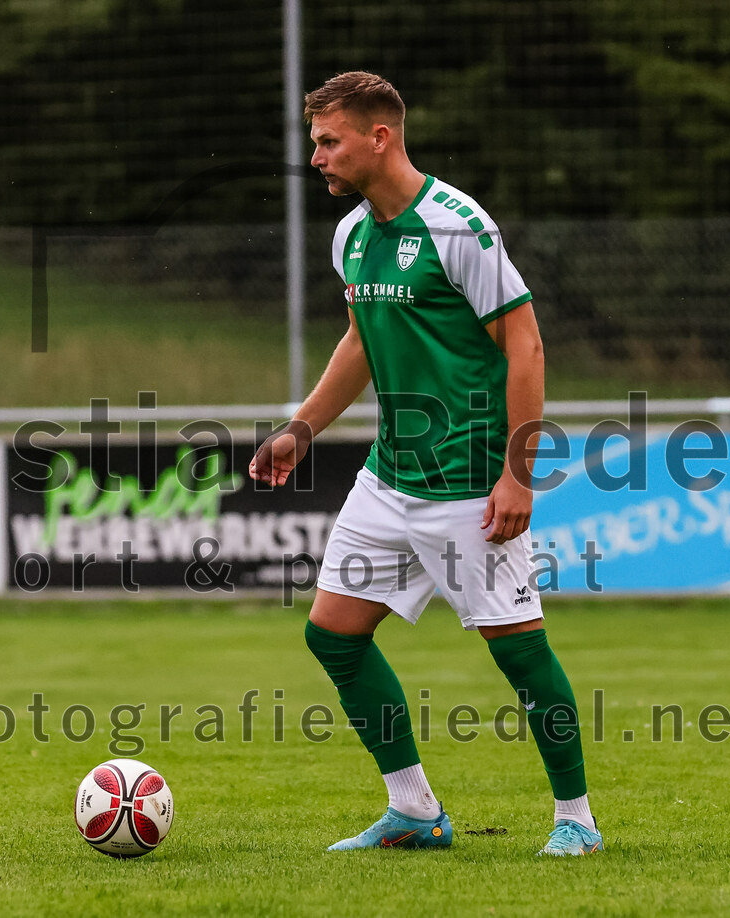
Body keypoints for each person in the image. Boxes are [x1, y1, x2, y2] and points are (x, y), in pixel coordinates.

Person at [249, 71, 602, 856]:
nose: (316, 158)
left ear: (381, 137)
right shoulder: (352, 235)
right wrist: (301, 429)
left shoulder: (456, 224)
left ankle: (576, 819)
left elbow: (526, 343)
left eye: (329, 141)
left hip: (468, 482)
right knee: (334, 636)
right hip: (388, 477)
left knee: (518, 650)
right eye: (315, 142)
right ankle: (413, 810)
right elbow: (358, 341)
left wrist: (517, 473)